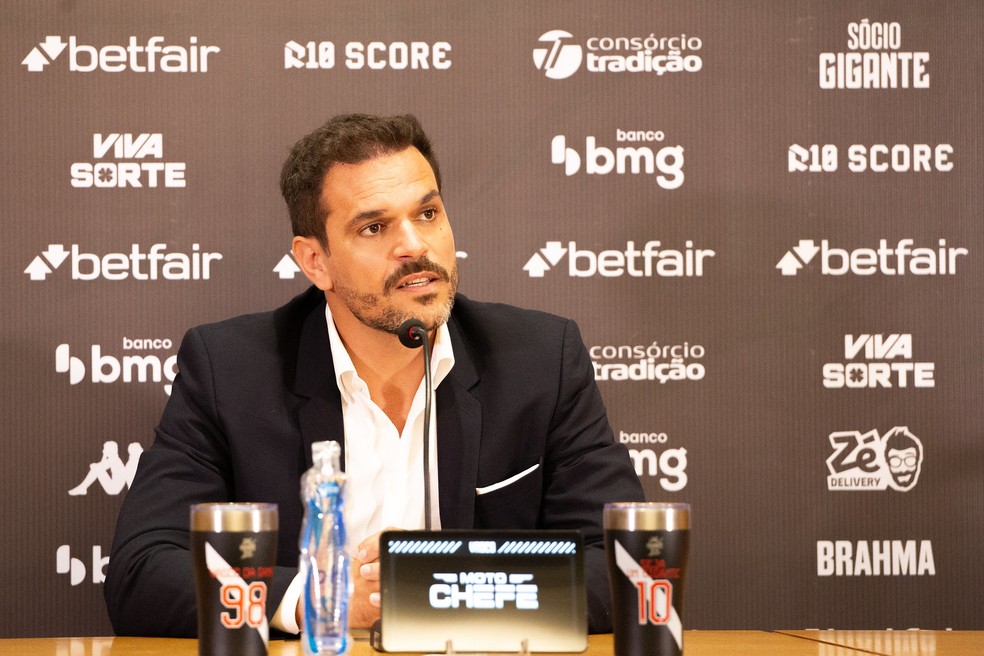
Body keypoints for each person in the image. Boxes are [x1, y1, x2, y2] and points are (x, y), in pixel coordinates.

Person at [104, 113, 644, 637]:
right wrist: (322, 600)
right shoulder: (231, 370)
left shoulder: (538, 360)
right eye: (374, 226)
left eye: (428, 214)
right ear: (316, 262)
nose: (414, 245)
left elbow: (627, 567)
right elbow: (143, 572)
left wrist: (442, 588)